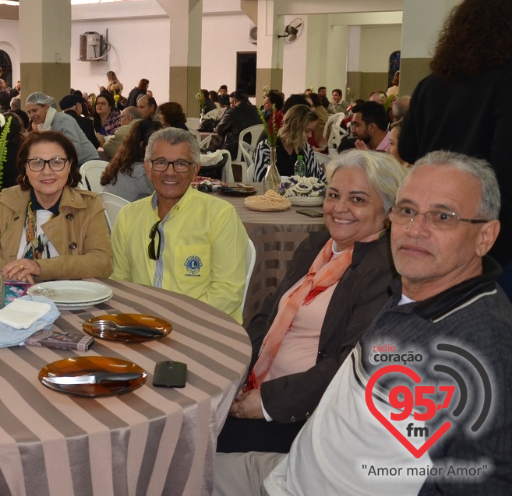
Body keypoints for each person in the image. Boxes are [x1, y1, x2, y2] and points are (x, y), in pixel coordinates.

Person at [215, 151, 512, 495]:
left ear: (485, 236)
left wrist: (268, 403)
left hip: (299, 475)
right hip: (292, 469)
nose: (415, 230)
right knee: (167, 460)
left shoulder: (484, 345)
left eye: (442, 216)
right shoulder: (406, 295)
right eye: (408, 210)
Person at [218, 151, 406, 454]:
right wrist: (240, 373)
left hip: (306, 415)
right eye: (333, 195)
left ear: (388, 211)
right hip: (258, 387)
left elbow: (352, 367)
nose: (339, 208)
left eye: (358, 200)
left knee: (193, 442)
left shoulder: (384, 272)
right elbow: (267, 313)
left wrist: (267, 402)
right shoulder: (317, 246)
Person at [399, 0, 512, 295]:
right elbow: (506, 162)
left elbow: (407, 149)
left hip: (429, 218)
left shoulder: (431, 84)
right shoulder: (506, 82)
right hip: (485, 227)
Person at [110, 127, 249, 321]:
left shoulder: (219, 215)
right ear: (147, 168)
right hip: (143, 326)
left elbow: (228, 291)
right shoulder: (128, 216)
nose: (170, 172)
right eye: (160, 162)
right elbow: (120, 281)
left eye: (181, 164)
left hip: (205, 327)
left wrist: (176, 321)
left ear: (196, 170)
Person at [0, 131, 112, 283]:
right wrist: (11, 272)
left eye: (57, 162)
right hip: (11, 297)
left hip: (68, 300)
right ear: (25, 167)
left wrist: (40, 267)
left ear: (70, 165)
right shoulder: (5, 201)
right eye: (37, 163)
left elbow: (102, 262)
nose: (47, 171)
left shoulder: (89, 205)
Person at [251, 105, 326, 182]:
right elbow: (261, 182)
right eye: (307, 131)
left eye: (311, 131)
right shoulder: (266, 148)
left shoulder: (305, 148)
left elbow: (320, 178)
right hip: (273, 193)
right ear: (294, 128)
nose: (310, 135)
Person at [25, 92, 99, 164]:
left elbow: (75, 148)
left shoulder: (62, 120)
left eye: (34, 110)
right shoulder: (42, 126)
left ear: (46, 107)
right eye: (29, 112)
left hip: (86, 163)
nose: (31, 115)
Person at [99, 118, 160, 202]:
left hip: (112, 213)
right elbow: (171, 196)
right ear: (143, 145)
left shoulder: (123, 163)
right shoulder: (142, 172)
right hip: (130, 213)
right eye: (159, 144)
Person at [214, 90, 263, 159]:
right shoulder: (257, 110)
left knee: (214, 147)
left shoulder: (233, 111)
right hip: (254, 150)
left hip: (236, 151)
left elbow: (219, 130)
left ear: (234, 100)